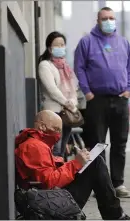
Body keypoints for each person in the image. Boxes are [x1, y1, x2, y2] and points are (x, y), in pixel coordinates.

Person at [15, 110, 130, 220]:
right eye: (56, 129)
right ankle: (115, 216)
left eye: (60, 130)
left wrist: (69, 163)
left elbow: (45, 172)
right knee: (96, 164)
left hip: (51, 196)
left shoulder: (37, 144)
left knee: (94, 163)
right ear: (42, 127)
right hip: (51, 201)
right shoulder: (35, 146)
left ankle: (115, 215)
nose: (58, 134)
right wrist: (76, 163)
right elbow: (50, 182)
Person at [74, 7, 130, 198]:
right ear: (98, 20)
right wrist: (88, 92)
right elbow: (79, 67)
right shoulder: (87, 42)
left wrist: (129, 90)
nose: (109, 21)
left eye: (111, 18)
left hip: (120, 100)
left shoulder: (123, 43)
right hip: (97, 100)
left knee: (120, 143)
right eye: (105, 18)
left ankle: (118, 184)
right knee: (96, 144)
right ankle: (100, 184)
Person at [38, 31, 78, 159]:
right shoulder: (45, 66)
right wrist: (67, 102)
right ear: (50, 48)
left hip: (67, 115)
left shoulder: (65, 67)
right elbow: (52, 89)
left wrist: (73, 102)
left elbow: (73, 89)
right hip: (53, 114)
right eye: (57, 45)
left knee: (62, 151)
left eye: (62, 45)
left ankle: (60, 176)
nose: (61, 48)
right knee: (54, 149)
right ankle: (53, 177)